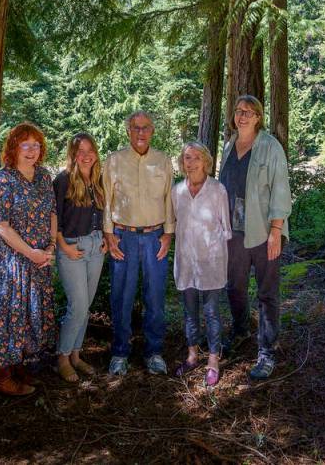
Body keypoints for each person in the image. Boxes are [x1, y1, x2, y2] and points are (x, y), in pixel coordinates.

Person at [0, 122, 57, 396]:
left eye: (36, 145)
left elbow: (52, 213)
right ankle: (0, 376)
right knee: (7, 314)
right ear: (13, 147)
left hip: (38, 260)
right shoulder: (2, 180)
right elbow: (1, 225)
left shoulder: (44, 177)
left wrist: (49, 248)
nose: (32, 150)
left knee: (28, 315)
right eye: (26, 145)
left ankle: (20, 366)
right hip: (10, 262)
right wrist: (31, 253)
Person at [219, 95, 292, 380]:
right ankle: (241, 330)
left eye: (249, 112)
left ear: (259, 117)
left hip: (264, 232)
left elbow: (281, 190)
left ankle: (267, 351)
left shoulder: (270, 147)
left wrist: (276, 231)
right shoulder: (228, 146)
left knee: (266, 292)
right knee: (234, 287)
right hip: (233, 233)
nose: (243, 116)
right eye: (239, 111)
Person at [102, 111, 176, 376]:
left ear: (152, 131)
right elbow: (107, 200)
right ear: (128, 131)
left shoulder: (163, 161)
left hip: (156, 236)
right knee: (121, 297)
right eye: (135, 128)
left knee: (155, 297)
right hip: (124, 236)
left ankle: (154, 352)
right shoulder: (114, 160)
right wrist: (109, 234)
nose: (141, 132)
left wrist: (168, 233)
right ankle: (120, 352)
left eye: (145, 128)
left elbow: (169, 198)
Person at [172, 141, 231, 387]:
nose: (192, 162)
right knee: (189, 313)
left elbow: (226, 229)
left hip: (212, 262)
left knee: (211, 313)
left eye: (197, 157)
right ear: (182, 162)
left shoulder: (217, 190)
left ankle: (214, 361)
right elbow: (174, 224)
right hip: (186, 261)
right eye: (187, 157)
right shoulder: (176, 191)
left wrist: (211, 249)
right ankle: (193, 355)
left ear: (206, 161)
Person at [53, 133, 107, 383]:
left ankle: (76, 355)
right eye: (80, 151)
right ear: (73, 155)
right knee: (77, 306)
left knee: (85, 307)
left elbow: (105, 213)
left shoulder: (98, 179)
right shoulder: (63, 180)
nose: (86, 155)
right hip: (72, 248)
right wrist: (63, 246)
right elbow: (54, 219)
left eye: (90, 150)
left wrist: (106, 238)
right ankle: (62, 358)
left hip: (96, 246)